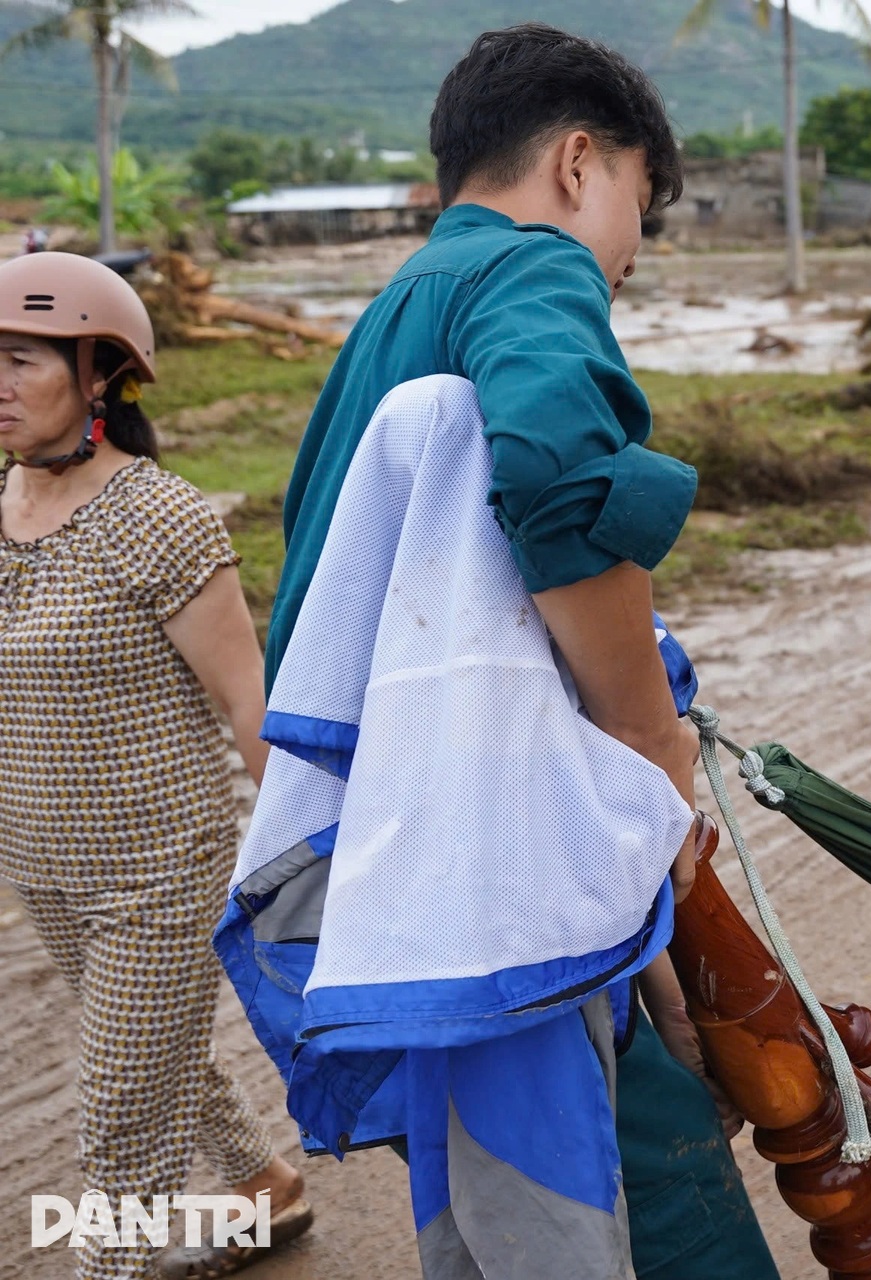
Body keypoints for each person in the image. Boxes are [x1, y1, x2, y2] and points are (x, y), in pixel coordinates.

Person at [266, 24, 777, 1279]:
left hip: (403, 851)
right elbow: (559, 476)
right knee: (607, 1207)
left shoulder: (389, 316)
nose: (630, 252)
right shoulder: (536, 271)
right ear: (578, 163)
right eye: (638, 210)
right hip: (500, 851)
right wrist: (655, 750)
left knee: (483, 1213)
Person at [0, 253, 314, 1280]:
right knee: (146, 1049)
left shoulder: (160, 517)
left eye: (19, 360)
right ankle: (266, 1182)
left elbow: (247, 701)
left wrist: (319, 852)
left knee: (119, 1126)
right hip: (42, 858)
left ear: (98, 374)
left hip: (159, 865)